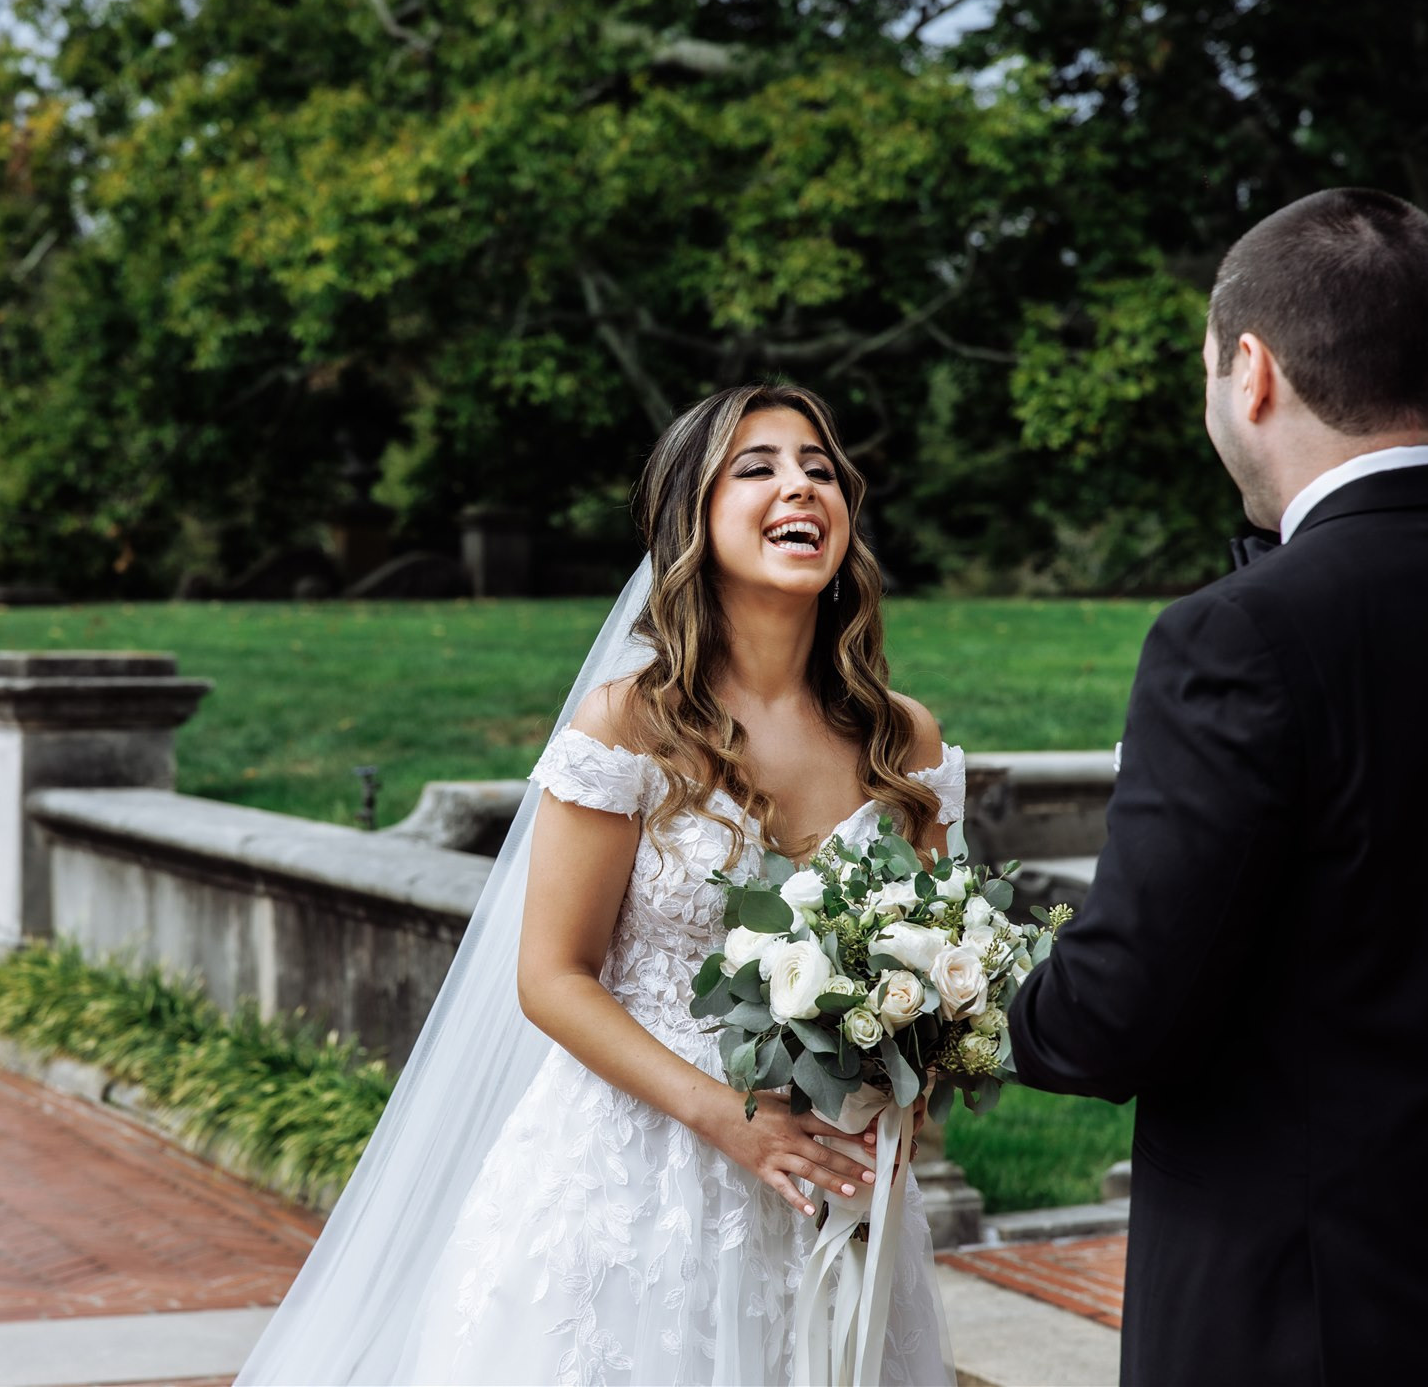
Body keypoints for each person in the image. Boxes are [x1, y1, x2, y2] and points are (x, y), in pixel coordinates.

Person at [1007, 187, 1428, 1386]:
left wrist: (966, 991)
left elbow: (1114, 1011)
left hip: (1301, 1325)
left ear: (1249, 371)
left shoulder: (1235, 636)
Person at [237, 384, 959, 1386]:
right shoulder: (628, 725)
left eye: (819, 469)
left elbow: (935, 962)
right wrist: (729, 1116)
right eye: (756, 467)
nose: (801, 485)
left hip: (833, 1182)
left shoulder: (899, 738)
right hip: (640, 1180)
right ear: (691, 519)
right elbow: (552, 976)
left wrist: (912, 1090)